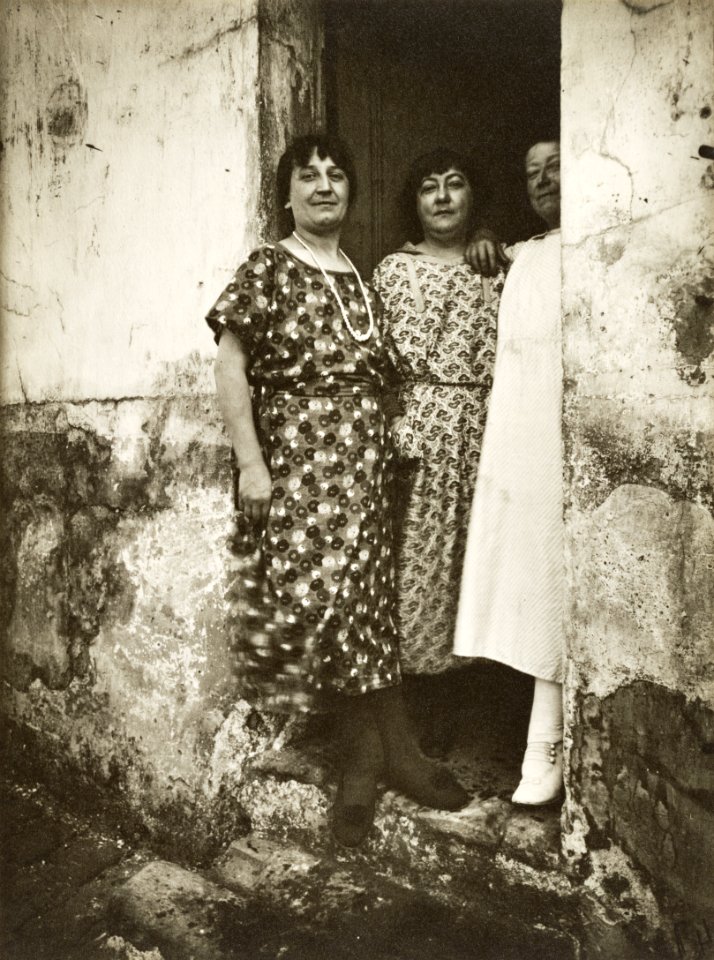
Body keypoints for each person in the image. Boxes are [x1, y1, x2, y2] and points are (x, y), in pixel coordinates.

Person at [206, 133, 469, 848]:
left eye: (336, 176)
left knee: (368, 608)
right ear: (286, 194)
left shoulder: (360, 276)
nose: (325, 187)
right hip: (302, 470)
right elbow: (232, 368)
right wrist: (251, 465)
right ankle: (376, 757)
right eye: (308, 176)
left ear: (349, 191)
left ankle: (379, 758)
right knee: (324, 606)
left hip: (367, 470)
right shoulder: (267, 267)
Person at [371, 150, 502, 751]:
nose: (444, 197)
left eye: (456, 185)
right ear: (415, 203)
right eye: (430, 188)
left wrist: (491, 242)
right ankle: (414, 710)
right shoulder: (394, 271)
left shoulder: (498, 265)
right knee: (413, 566)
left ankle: (470, 703)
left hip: (487, 435)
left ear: (473, 198)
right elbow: (372, 363)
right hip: (416, 434)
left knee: (475, 568)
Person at [454, 138, 564, 806]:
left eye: (556, 165)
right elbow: (498, 257)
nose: (544, 179)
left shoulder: (604, 242)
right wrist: (489, 239)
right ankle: (540, 741)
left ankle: (547, 744)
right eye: (532, 173)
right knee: (530, 576)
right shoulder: (527, 254)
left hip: (576, 439)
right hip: (525, 439)